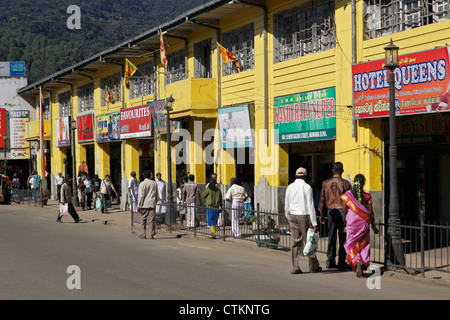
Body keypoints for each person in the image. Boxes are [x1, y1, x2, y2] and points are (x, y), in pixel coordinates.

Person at [341, 174, 379, 277]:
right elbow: (370, 212)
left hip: (352, 222)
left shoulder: (348, 195)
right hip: (364, 222)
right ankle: (363, 261)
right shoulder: (368, 196)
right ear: (364, 183)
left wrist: (349, 217)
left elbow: (344, 209)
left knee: (351, 244)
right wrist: (374, 226)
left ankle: (357, 261)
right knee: (364, 243)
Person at [285, 167, 322, 274]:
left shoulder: (290, 187)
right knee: (309, 241)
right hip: (304, 216)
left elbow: (286, 205)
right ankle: (313, 266)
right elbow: (310, 206)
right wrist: (314, 223)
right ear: (305, 176)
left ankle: (295, 267)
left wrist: (288, 216)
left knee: (295, 242)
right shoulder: (307, 187)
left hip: (293, 215)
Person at [318, 161, 352, 271]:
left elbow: (322, 200)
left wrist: (321, 213)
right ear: (342, 171)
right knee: (343, 238)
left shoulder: (325, 183)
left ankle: (330, 261)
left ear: (333, 170)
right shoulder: (346, 183)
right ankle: (341, 262)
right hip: (343, 212)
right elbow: (350, 201)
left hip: (331, 212)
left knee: (331, 237)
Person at [137, 171, 160, 239]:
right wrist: (155, 201)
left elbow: (141, 196)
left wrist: (139, 205)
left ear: (144, 176)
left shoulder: (142, 184)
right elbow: (157, 194)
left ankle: (143, 234)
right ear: (150, 176)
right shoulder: (154, 183)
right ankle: (151, 234)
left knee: (143, 219)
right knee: (152, 219)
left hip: (144, 204)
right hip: (152, 203)